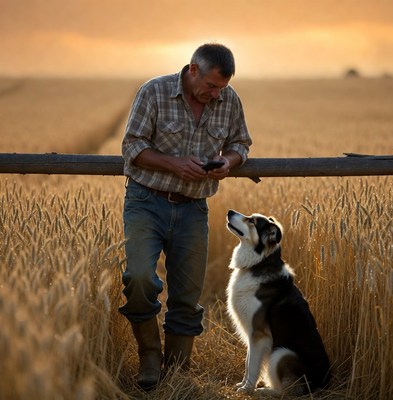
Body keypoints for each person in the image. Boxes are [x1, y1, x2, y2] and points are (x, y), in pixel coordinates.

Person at [119, 43, 252, 391]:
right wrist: (175, 163)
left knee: (187, 295)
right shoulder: (154, 92)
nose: (215, 94)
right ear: (193, 70)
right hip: (146, 201)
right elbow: (132, 147)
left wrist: (229, 162)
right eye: (210, 86)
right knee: (139, 279)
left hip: (194, 208)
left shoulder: (229, 99)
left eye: (221, 88)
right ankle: (150, 356)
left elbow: (241, 144)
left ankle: (177, 371)